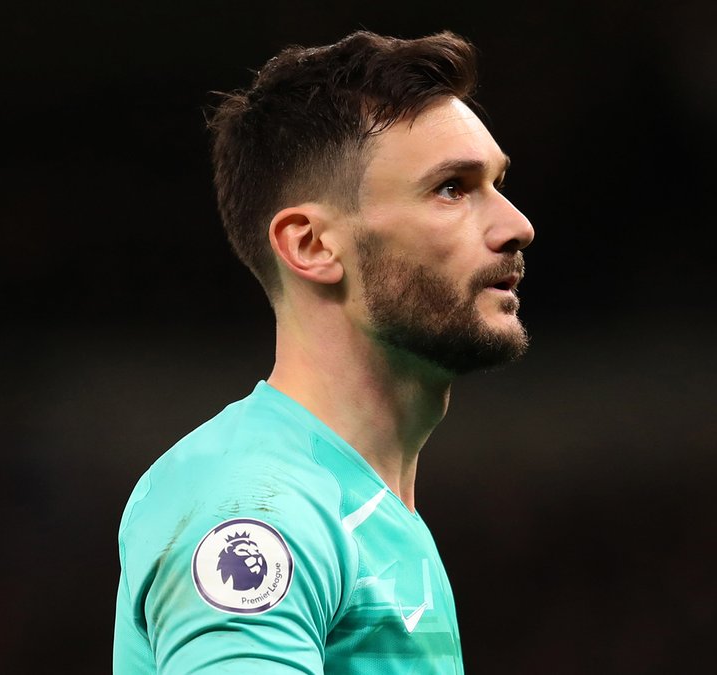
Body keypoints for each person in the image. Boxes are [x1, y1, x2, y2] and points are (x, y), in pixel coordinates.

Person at [113, 30, 534, 674]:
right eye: (452, 188)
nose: (516, 226)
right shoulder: (258, 508)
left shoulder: (355, 504)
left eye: (497, 183)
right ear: (310, 245)